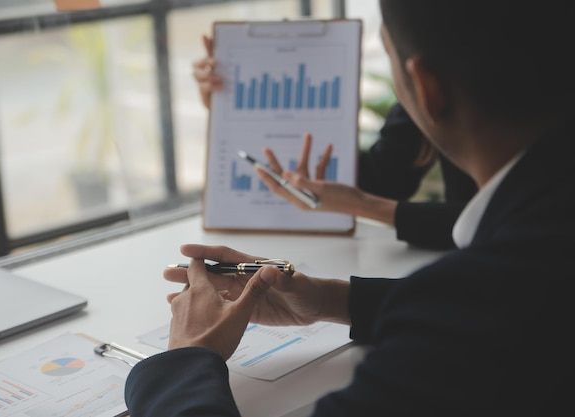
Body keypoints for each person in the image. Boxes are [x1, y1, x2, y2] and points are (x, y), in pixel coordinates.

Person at [125, 0, 575, 415]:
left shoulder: (470, 321)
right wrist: (334, 299)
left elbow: (478, 310)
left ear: (425, 88)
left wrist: (186, 361)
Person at [192, 34, 477, 250]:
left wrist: (366, 206)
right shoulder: (437, 63)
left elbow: (489, 227)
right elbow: (386, 177)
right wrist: (235, 110)